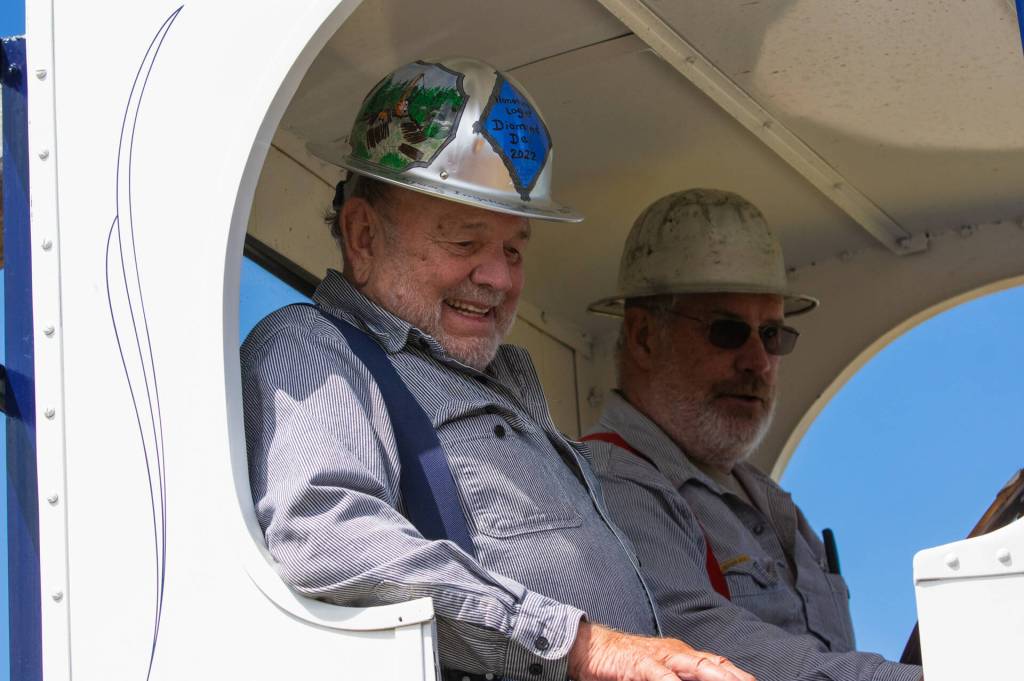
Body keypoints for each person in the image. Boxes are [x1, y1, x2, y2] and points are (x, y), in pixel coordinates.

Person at [242, 59, 753, 681]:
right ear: (363, 236)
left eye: (513, 249)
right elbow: (327, 538)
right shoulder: (315, 347)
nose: (500, 278)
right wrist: (580, 646)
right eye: (465, 243)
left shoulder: (504, 386)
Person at [583, 189, 923, 681]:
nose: (758, 362)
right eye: (727, 331)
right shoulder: (606, 483)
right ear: (643, 337)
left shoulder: (769, 503)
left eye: (772, 335)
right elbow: (707, 647)